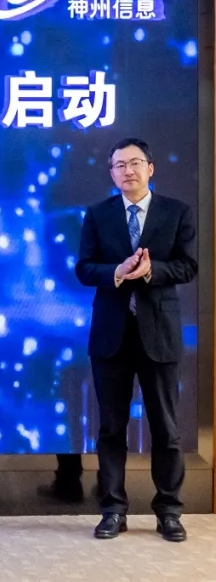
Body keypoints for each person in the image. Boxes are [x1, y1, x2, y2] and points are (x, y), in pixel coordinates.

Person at [75, 137, 197, 542]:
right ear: (111, 173)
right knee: (111, 427)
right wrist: (116, 271)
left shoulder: (176, 212)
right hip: (111, 335)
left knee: (166, 427)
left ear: (150, 168)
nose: (128, 171)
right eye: (119, 165)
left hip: (158, 334)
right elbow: (84, 268)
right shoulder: (98, 214)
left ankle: (169, 510)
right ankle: (112, 508)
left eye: (135, 163)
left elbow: (188, 266)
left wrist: (149, 271)